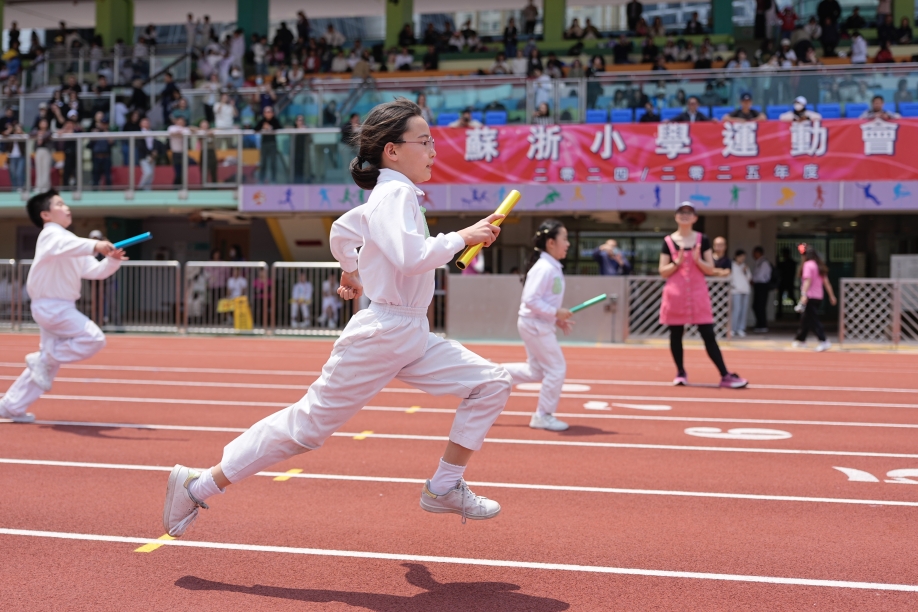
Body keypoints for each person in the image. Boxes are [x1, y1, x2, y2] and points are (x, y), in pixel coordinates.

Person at [162, 99, 513, 537]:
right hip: (385, 331)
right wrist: (463, 236)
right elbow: (410, 257)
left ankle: (443, 487)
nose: (433, 150)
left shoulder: (392, 195)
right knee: (306, 428)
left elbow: (343, 230)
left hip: (409, 331)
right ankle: (197, 485)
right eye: (424, 142)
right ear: (392, 151)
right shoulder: (395, 193)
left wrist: (350, 268)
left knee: (491, 382)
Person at [0, 190, 126, 422]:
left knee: (46, 366)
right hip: (52, 307)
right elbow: (71, 244)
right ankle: (44, 358)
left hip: (57, 307)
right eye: (59, 204)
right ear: (45, 215)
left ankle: (10, 406)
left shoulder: (70, 243)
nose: (66, 207)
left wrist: (112, 261)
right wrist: (97, 245)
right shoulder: (51, 235)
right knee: (94, 339)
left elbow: (94, 271)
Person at [659, 202, 745, 388]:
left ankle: (725, 374)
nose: (685, 215)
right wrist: (677, 262)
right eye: (681, 212)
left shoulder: (702, 239)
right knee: (676, 334)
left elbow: (710, 269)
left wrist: (697, 260)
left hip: (698, 294)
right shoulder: (668, 241)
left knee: (708, 333)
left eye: (689, 212)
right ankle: (680, 372)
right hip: (675, 294)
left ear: (695, 218)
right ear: (675, 216)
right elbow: (663, 271)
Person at [500, 220, 573, 433]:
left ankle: (491, 373)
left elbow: (542, 301)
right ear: (551, 242)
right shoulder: (544, 268)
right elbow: (530, 299)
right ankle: (543, 416)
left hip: (537, 324)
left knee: (536, 371)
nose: (568, 243)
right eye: (565, 239)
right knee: (556, 369)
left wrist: (555, 318)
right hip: (535, 325)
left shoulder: (550, 266)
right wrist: (555, 313)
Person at [793, 244, 837, 351]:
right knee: (806, 319)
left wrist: (804, 294)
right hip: (818, 296)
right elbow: (826, 283)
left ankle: (823, 340)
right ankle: (801, 339)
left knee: (813, 320)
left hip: (810, 296)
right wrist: (832, 296)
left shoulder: (808, 265)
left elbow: (808, 280)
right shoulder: (819, 266)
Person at [256, 106, 283, 184]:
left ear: (272, 113)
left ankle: (273, 180)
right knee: (263, 163)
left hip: (272, 143)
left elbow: (280, 128)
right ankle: (261, 180)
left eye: (269, 112)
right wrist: (263, 128)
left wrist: (270, 128)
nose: (267, 114)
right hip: (264, 143)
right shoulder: (262, 121)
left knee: (273, 162)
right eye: (266, 112)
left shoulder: (275, 121)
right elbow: (255, 128)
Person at [730, 250, 752, 338]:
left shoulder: (745, 266)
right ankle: (732, 329)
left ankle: (741, 328)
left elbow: (749, 278)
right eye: (740, 257)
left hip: (745, 290)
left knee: (744, 310)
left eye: (744, 257)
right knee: (736, 310)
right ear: (736, 256)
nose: (742, 259)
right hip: (736, 291)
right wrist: (733, 286)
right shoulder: (732, 265)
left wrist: (745, 271)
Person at [750, 245, 772, 333]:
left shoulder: (764, 263)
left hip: (762, 286)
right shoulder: (758, 262)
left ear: (758, 253)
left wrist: (752, 280)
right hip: (758, 285)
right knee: (756, 305)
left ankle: (762, 325)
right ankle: (759, 324)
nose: (753, 255)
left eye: (754, 253)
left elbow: (761, 276)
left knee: (760, 306)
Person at [775, 247, 797, 319]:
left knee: (790, 297)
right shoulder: (791, 263)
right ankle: (797, 313)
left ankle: (798, 312)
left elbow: (779, 267)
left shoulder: (788, 263)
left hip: (786, 282)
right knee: (784, 298)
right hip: (786, 282)